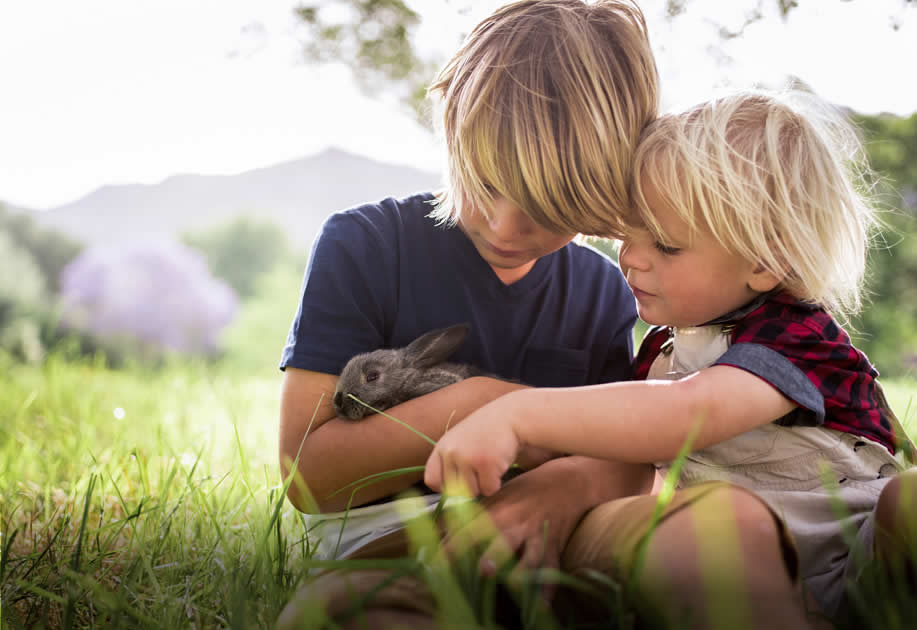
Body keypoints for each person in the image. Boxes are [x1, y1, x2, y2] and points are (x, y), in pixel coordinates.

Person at [425, 89, 917, 628]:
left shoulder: (795, 334)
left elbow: (687, 414)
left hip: (866, 553)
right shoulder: (663, 351)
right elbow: (637, 458)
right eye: (627, 232)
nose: (630, 257)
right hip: (755, 572)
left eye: (664, 244)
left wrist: (517, 415)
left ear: (766, 260)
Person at [277, 0, 659, 627]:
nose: (506, 226)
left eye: (548, 205)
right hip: (393, 542)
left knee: (676, 544)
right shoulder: (365, 247)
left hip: (551, 526)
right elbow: (309, 478)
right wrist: (488, 403)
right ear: (452, 124)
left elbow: (630, 456)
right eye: (484, 182)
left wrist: (563, 487)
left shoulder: (603, 289)